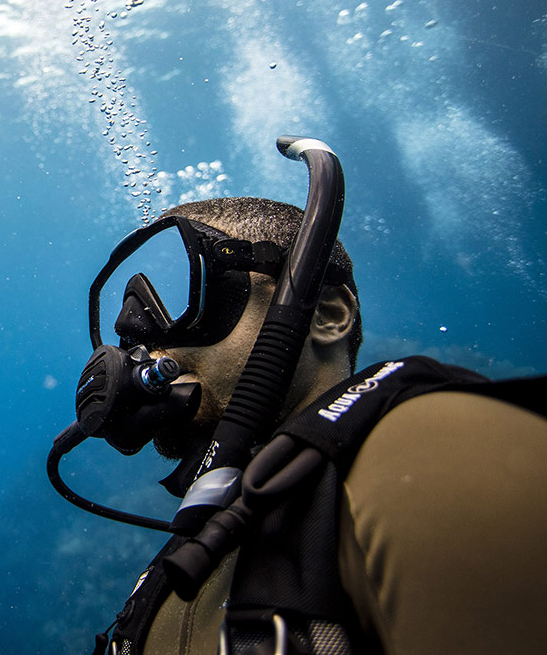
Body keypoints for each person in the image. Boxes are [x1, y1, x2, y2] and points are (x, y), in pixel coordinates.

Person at [99, 196, 547, 655]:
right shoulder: (194, 551)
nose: (148, 345)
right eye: (136, 326)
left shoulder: (435, 448)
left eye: (192, 295)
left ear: (327, 315)